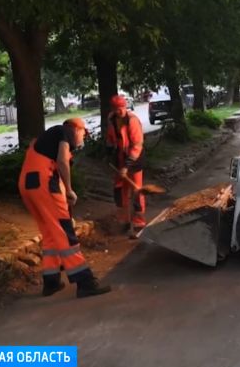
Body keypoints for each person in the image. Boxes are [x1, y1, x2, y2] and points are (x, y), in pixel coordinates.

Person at [18, 117, 111, 298]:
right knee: (65, 233)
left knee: (50, 233)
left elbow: (53, 166)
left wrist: (65, 194)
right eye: (84, 133)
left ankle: (51, 281)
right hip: (44, 184)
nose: (83, 138)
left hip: (27, 186)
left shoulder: (48, 138)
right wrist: (69, 190)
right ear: (76, 129)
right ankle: (85, 282)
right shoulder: (64, 132)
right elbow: (61, 162)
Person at [105, 95, 146, 234]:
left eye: (123, 108)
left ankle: (139, 222)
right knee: (119, 191)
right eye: (118, 109)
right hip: (119, 158)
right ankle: (124, 221)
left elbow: (137, 145)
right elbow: (110, 139)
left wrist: (127, 166)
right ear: (113, 109)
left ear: (126, 106)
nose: (121, 111)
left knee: (136, 191)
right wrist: (109, 153)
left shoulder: (132, 120)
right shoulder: (111, 119)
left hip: (134, 160)